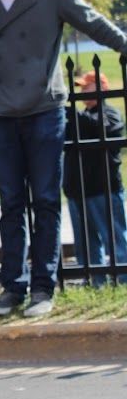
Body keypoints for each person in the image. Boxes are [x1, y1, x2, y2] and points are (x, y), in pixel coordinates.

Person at [0, 0, 127, 317]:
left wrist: (124, 43)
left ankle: (43, 289)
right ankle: (12, 288)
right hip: (0, 112)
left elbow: (90, 20)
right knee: (11, 202)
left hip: (43, 108)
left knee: (47, 200)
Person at [63, 71, 127, 286]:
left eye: (87, 87)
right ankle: (95, 280)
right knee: (86, 244)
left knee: (115, 239)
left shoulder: (110, 113)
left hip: (103, 189)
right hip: (77, 190)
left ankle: (123, 278)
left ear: (103, 89)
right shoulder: (77, 118)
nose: (82, 92)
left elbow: (102, 127)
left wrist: (70, 112)